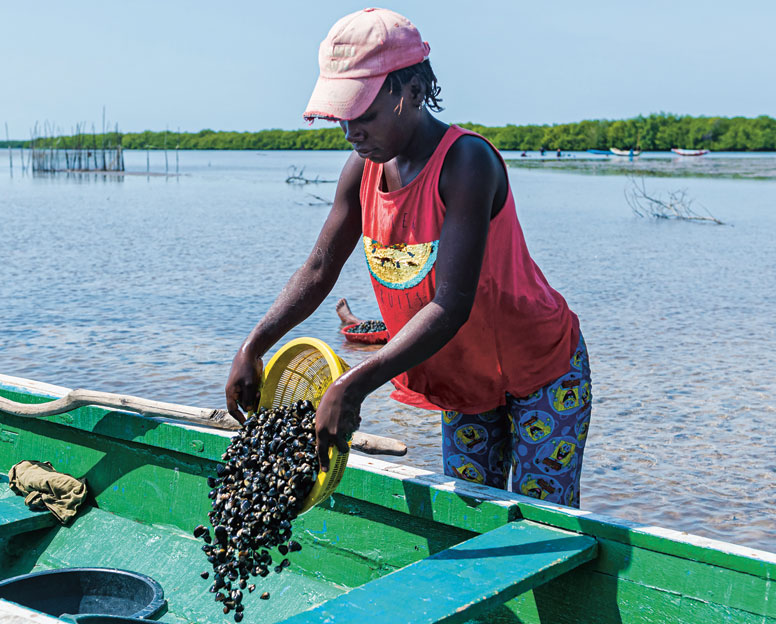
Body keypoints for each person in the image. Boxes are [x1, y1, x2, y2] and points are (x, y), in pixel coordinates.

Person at [225, 8, 591, 507]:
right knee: (471, 519)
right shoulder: (362, 170)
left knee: (542, 522)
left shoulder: (466, 163)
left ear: (413, 92)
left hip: (542, 371)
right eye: (345, 118)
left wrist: (355, 384)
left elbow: (451, 304)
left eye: (366, 115)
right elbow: (318, 270)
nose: (352, 132)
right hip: (464, 381)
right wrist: (254, 345)